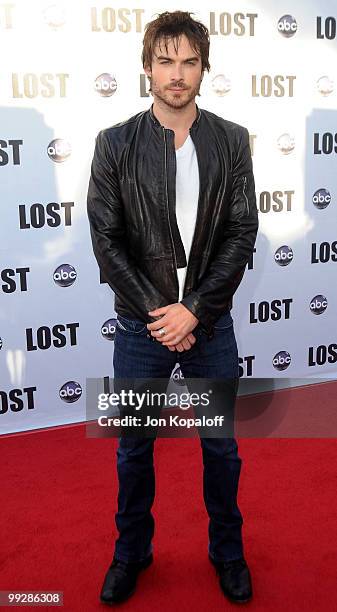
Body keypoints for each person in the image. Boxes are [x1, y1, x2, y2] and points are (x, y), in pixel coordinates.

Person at [87, 10, 259, 605]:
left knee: (222, 447)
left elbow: (241, 231)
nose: (177, 73)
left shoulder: (231, 141)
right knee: (134, 447)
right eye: (166, 61)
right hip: (141, 324)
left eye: (189, 61)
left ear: (204, 69)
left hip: (208, 324)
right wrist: (163, 312)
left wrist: (197, 311)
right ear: (147, 68)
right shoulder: (114, 144)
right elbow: (106, 241)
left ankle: (228, 552)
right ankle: (130, 553)